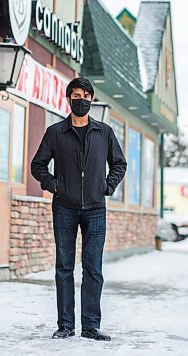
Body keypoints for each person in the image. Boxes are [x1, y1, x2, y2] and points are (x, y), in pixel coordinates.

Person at [31, 77, 127, 341]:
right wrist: (55, 186)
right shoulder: (55, 132)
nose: (81, 99)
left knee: (93, 268)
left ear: (92, 100)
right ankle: (65, 325)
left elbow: (119, 163)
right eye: (76, 95)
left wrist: (107, 187)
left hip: (95, 208)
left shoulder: (104, 132)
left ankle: (91, 326)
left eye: (85, 95)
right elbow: (38, 165)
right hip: (64, 207)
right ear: (68, 99)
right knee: (64, 267)